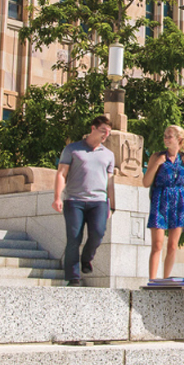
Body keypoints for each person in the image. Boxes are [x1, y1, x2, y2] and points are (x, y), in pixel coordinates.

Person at [53, 116, 116, 287]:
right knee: (74, 237)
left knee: (98, 232)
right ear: (93, 128)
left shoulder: (109, 155)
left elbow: (110, 181)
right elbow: (61, 174)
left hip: (99, 202)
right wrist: (57, 197)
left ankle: (87, 258)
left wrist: (112, 205)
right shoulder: (72, 149)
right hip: (74, 200)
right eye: (103, 131)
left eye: (108, 133)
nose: (105, 135)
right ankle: (73, 277)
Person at [142, 125, 184, 281]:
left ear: (179, 139)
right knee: (157, 244)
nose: (166, 139)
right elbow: (146, 182)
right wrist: (157, 164)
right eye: (165, 136)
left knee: (173, 245)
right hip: (161, 199)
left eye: (169, 136)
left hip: (180, 201)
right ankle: (152, 280)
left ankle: (166, 279)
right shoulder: (157, 156)